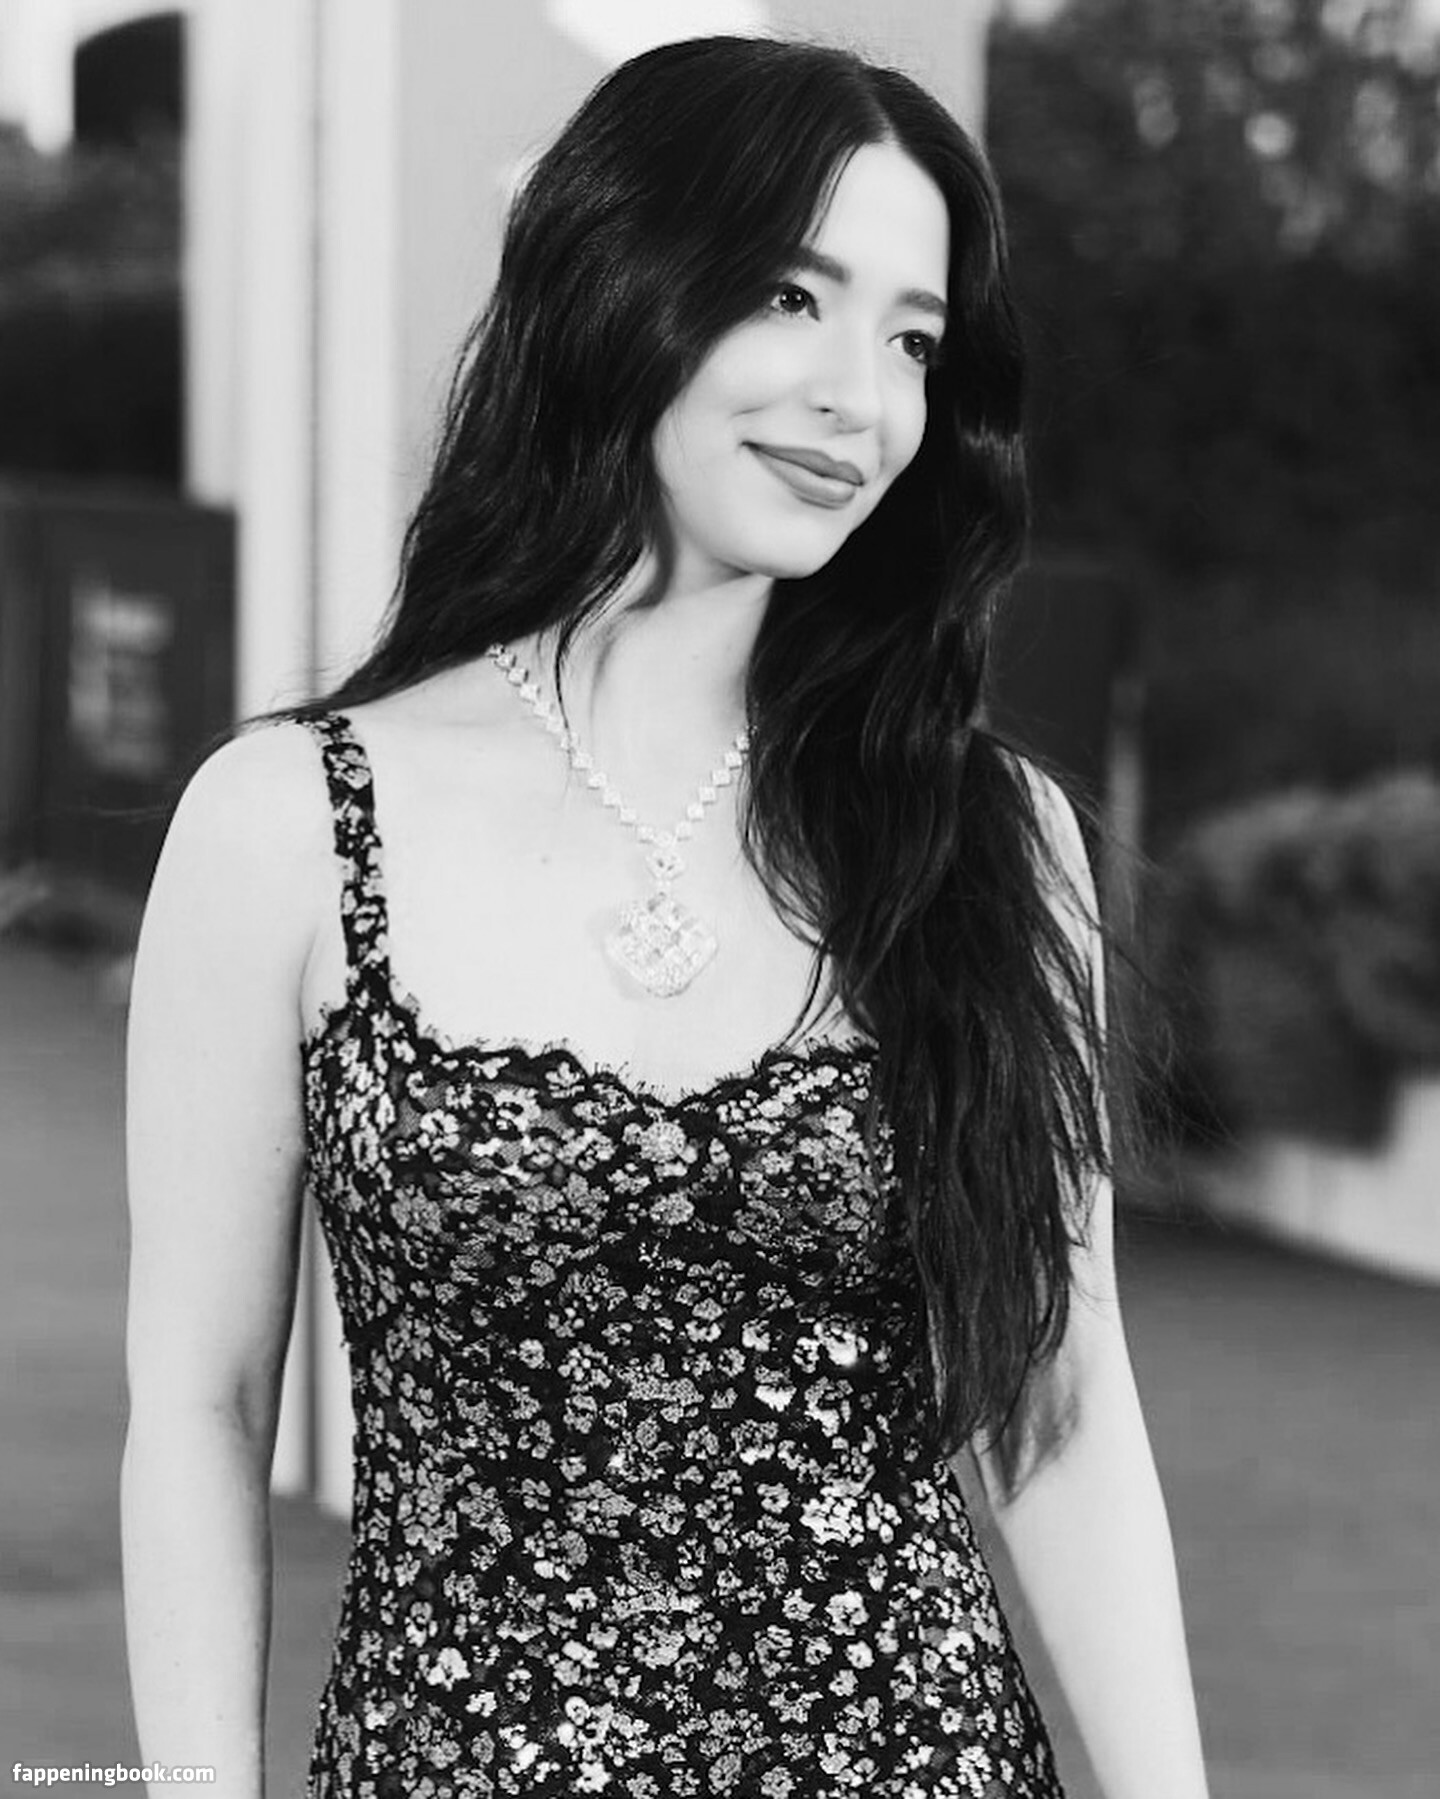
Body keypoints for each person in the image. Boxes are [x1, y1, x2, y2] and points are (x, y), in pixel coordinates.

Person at [121, 35, 1210, 1799]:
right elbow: (200, 1406)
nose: (859, 399)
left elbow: (1056, 1403)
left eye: (914, 341)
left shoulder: (990, 840)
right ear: (619, 281)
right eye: (793, 297)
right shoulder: (286, 827)